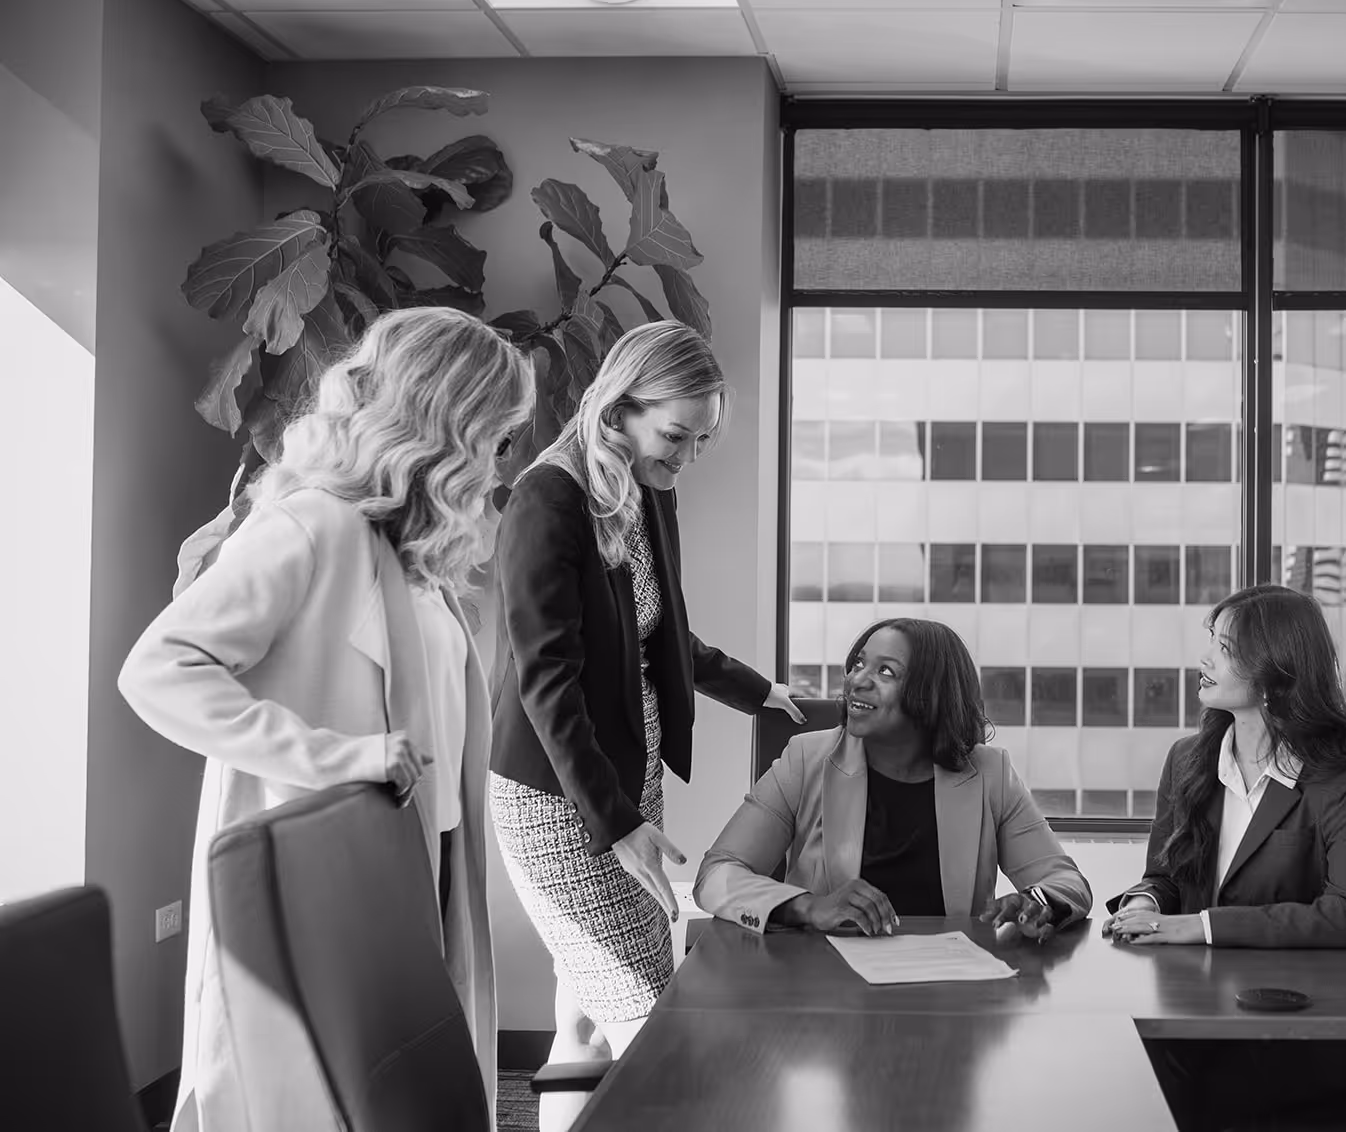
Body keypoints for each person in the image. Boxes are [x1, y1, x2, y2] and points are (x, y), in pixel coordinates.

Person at [117, 307, 534, 1132]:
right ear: (450, 421)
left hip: (425, 870)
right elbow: (157, 669)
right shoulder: (314, 525)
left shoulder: (409, 555)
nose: (501, 458)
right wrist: (332, 755)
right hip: (332, 881)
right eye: (498, 433)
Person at [487, 319, 803, 1132]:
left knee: (586, 1021)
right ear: (619, 406)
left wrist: (758, 690)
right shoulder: (547, 498)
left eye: (700, 441)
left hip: (628, 786)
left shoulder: (643, 491)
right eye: (675, 434)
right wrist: (616, 821)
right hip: (563, 804)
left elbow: (662, 636)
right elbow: (545, 679)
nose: (686, 457)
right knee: (657, 1030)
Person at [1101, 583, 1346, 1131]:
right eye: (1210, 641)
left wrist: (1201, 927)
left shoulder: (1337, 783)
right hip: (1202, 1005)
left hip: (1301, 1016)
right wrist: (1146, 903)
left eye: (1225, 647)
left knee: (1192, 1090)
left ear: (1275, 670)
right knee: (1122, 1067)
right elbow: (1166, 875)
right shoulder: (1188, 761)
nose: (1205, 658)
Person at [696, 618, 1092, 940]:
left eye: (885, 671)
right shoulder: (807, 759)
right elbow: (716, 875)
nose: (857, 680)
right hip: (825, 987)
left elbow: (1064, 880)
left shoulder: (990, 773)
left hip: (950, 992)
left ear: (931, 693)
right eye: (857, 664)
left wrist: (1036, 900)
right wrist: (809, 907)